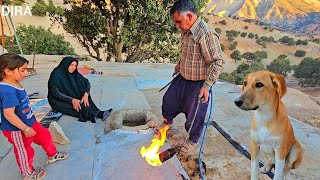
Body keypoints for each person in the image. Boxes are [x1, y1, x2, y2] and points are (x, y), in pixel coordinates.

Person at [155, 0, 224, 153]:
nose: (177, 26)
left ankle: (193, 140)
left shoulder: (206, 34)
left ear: (190, 16)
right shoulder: (187, 31)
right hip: (182, 78)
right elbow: (189, 52)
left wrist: (207, 86)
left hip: (198, 84)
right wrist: (180, 64)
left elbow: (217, 62)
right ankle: (167, 122)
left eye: (179, 22)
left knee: (195, 115)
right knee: (169, 101)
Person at [0, 53, 69, 180]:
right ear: (8, 71)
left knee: (45, 136)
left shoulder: (15, 83)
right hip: (17, 129)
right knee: (24, 150)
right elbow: (9, 114)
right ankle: (28, 173)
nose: (26, 73)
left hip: (30, 122)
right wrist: (25, 129)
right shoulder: (8, 91)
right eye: (22, 70)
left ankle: (52, 155)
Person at [47, 56, 113, 123]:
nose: (74, 67)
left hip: (70, 96)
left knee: (83, 91)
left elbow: (86, 82)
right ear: (66, 64)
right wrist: (72, 100)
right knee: (79, 106)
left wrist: (86, 94)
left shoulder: (74, 73)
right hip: (57, 100)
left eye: (75, 65)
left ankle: (99, 112)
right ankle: (99, 114)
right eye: (71, 65)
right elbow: (55, 93)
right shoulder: (56, 74)